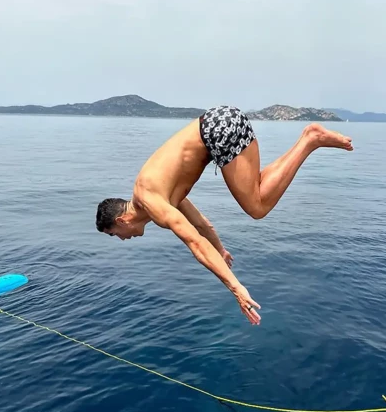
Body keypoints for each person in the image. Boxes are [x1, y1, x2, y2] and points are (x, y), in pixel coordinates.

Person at [96, 105, 353, 325]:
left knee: (257, 207)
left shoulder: (150, 201)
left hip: (217, 131)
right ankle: (308, 140)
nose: (121, 239)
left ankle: (310, 139)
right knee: (257, 193)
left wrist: (236, 289)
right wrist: (220, 249)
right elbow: (200, 225)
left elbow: (195, 243)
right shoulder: (157, 195)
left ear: (120, 221)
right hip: (220, 123)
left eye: (114, 234)